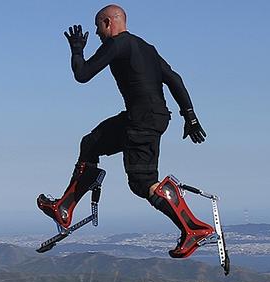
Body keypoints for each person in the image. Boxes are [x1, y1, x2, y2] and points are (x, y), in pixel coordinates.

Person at [37, 4, 214, 258]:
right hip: (143, 118)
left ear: (108, 23)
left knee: (143, 183)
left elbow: (83, 74)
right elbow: (174, 78)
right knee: (91, 143)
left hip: (142, 122)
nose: (97, 34)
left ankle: (193, 228)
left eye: (98, 27)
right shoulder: (146, 47)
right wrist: (190, 116)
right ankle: (64, 208)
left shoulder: (117, 44)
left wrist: (77, 51)